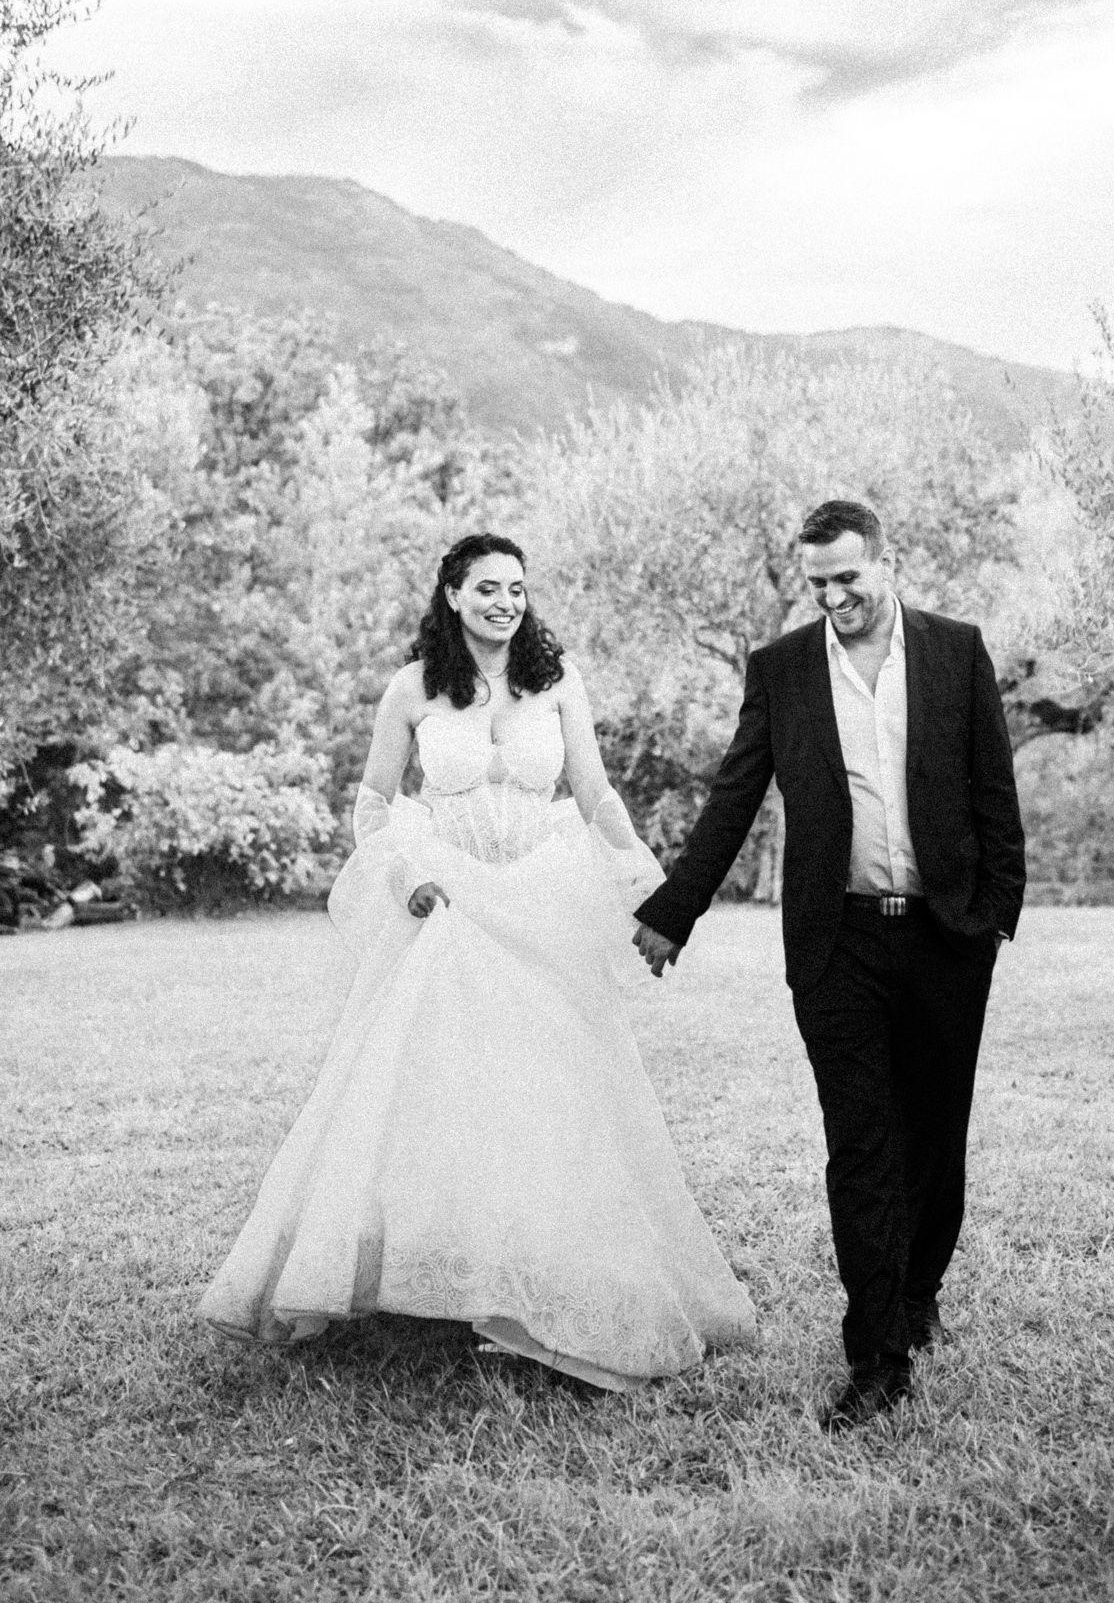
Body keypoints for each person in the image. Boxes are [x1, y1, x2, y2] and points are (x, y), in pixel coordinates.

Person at [200, 532, 755, 1390]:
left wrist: (645, 874)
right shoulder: (412, 687)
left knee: (549, 1084)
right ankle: (439, 1265)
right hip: (449, 898)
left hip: (540, 895)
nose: (506, 601)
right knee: (438, 1085)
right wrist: (409, 874)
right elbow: (375, 803)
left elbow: (594, 792)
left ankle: (541, 1275)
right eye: (488, 588)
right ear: (453, 594)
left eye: (518, 588)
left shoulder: (558, 679)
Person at [632, 498, 1025, 1431]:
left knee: (934, 1135)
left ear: (887, 563)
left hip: (943, 936)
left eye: (848, 577)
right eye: (817, 584)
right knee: (860, 1145)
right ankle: (877, 1353)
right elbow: (734, 797)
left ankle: (919, 1287)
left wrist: (994, 914)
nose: (834, 597)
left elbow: (992, 788)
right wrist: (672, 912)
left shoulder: (953, 651)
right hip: (835, 942)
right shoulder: (782, 672)